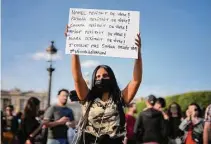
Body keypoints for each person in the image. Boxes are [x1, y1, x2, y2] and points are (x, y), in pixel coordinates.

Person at [65, 25, 142, 144]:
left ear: (111, 78)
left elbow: (136, 80)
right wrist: (73, 48)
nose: (101, 78)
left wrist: (137, 54)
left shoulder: (120, 98)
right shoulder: (87, 97)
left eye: (105, 76)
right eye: (98, 77)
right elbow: (77, 77)